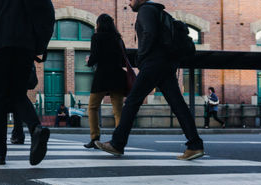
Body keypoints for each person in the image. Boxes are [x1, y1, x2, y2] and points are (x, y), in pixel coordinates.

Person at [95, 0, 205, 160]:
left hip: (153, 63)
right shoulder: (157, 11)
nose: (129, 2)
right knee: (178, 104)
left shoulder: (146, 10)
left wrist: (142, 57)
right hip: (165, 64)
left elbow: (149, 33)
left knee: (132, 101)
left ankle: (117, 144)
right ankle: (195, 145)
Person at [0, 0, 54, 165]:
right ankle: (36, 128)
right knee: (17, 94)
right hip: (24, 46)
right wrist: (39, 45)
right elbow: (47, 13)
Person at [84, 14, 127, 149]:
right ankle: (119, 140)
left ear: (99, 24)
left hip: (102, 76)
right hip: (118, 76)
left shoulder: (97, 37)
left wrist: (88, 61)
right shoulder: (118, 39)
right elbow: (123, 59)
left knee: (92, 107)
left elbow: (95, 56)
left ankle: (95, 137)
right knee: (118, 111)